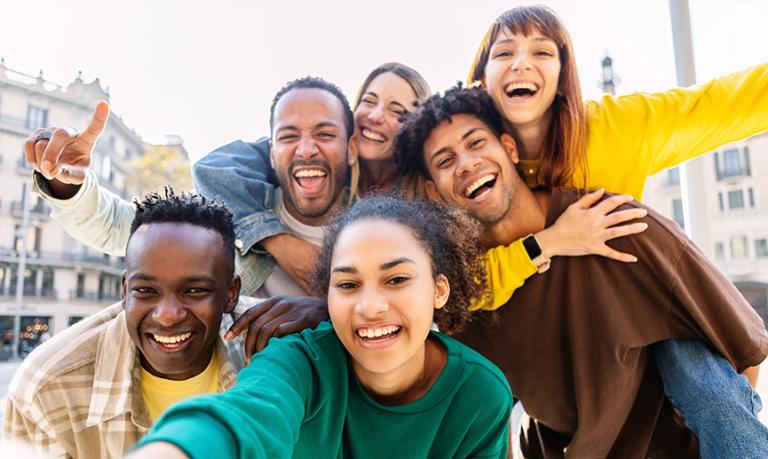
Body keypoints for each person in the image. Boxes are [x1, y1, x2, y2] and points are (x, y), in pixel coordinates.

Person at [394, 85, 768, 458]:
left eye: (476, 143)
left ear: (509, 148)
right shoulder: (468, 299)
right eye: (445, 161)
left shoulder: (614, 225)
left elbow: (743, 353)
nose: (466, 164)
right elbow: (485, 420)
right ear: (434, 191)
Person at [128, 197, 513, 459]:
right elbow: (248, 413)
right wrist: (174, 450)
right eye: (348, 284)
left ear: (439, 290)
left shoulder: (480, 395)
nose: (370, 306)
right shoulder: (300, 362)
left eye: (397, 279)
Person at [2, 190, 250, 457]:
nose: (166, 315)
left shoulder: (273, 346)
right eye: (146, 291)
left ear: (231, 294)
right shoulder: (47, 388)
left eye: (195, 291)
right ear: (124, 290)